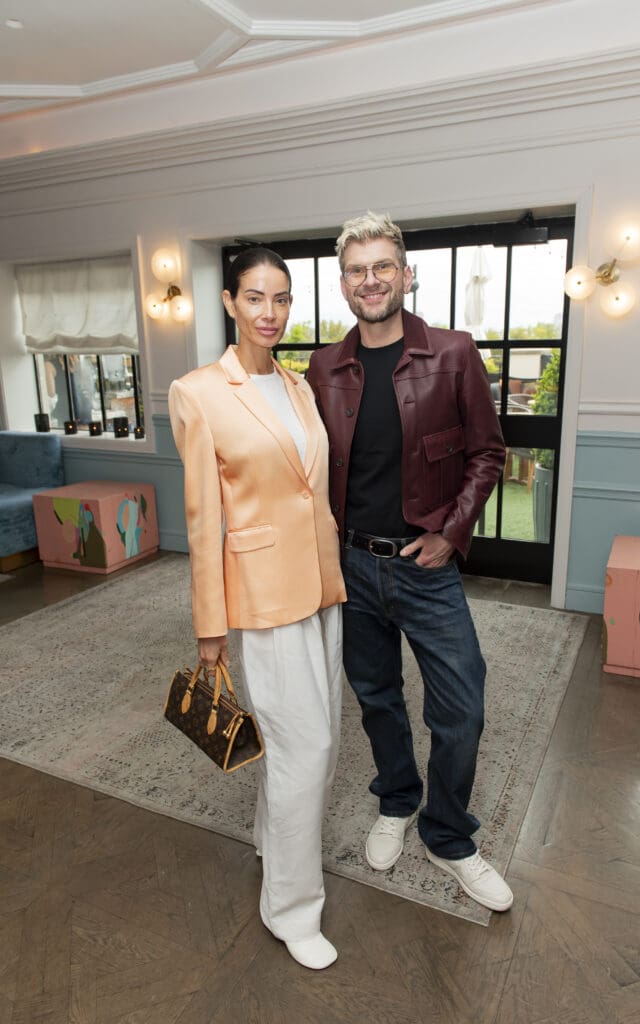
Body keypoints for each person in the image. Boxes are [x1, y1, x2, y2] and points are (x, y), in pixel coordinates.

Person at [307, 212, 513, 913]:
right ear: (343, 285)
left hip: (427, 566)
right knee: (376, 698)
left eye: (383, 266)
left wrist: (453, 534)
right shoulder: (323, 366)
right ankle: (396, 799)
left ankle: (449, 835)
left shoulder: (452, 353)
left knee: (463, 707)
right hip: (351, 568)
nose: (371, 280)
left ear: (406, 273)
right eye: (358, 270)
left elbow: (488, 452)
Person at [168, 247, 346, 969]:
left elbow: (311, 491)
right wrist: (211, 627)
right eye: (255, 298)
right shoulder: (199, 392)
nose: (269, 313)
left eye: (280, 299)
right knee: (309, 749)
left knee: (311, 737)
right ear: (230, 303)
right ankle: (292, 909)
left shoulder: (299, 388)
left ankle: (274, 846)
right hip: (263, 600)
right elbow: (203, 516)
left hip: (321, 589)